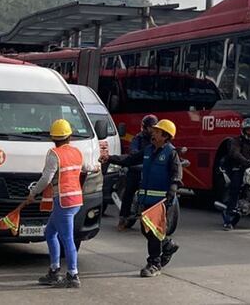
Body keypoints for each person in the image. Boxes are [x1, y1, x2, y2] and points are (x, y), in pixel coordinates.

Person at [103, 118, 182, 278]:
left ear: (165, 136)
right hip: (146, 200)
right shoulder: (148, 150)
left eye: (157, 132)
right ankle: (168, 245)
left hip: (160, 202)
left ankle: (154, 264)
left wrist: (171, 192)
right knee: (147, 231)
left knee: (153, 233)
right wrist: (110, 158)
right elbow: (129, 160)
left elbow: (176, 175)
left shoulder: (171, 153)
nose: (153, 133)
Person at [23, 119, 94, 289]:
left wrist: (33, 193)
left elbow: (46, 179)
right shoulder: (77, 152)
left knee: (67, 238)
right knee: (50, 232)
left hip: (63, 202)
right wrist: (98, 165)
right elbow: (87, 167)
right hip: (75, 200)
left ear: (53, 138)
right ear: (69, 136)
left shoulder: (54, 154)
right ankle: (54, 271)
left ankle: (73, 275)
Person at [221, 118, 250, 229]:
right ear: (243, 130)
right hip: (238, 167)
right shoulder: (236, 141)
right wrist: (246, 162)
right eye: (248, 130)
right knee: (235, 187)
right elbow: (235, 153)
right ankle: (228, 218)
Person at [116, 114, 158, 230]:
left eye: (154, 128)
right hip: (137, 170)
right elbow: (133, 152)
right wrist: (139, 157)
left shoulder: (158, 139)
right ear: (145, 128)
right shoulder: (137, 139)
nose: (152, 130)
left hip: (151, 171)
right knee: (129, 190)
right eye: (150, 127)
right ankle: (123, 218)